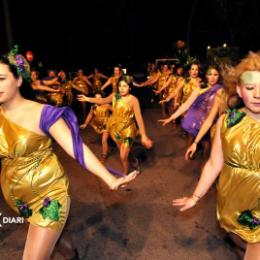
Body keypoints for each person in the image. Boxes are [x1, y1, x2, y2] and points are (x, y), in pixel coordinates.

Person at [0, 48, 138, 259]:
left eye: (1, 78)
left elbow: (77, 148)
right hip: (21, 200)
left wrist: (109, 179)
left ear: (18, 80)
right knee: (58, 242)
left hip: (49, 194)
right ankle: (72, 255)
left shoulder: (42, 113)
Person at [172, 52, 260, 260]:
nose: (257, 94)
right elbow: (213, 164)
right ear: (238, 89)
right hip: (234, 206)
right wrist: (195, 196)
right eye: (250, 88)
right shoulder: (226, 122)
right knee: (243, 248)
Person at [78, 75, 153, 174]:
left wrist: (143, 136)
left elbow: (139, 118)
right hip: (115, 129)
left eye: (125, 86)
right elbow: (102, 100)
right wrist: (88, 99)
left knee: (122, 156)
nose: (122, 89)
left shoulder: (133, 100)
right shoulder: (115, 96)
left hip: (128, 130)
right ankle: (134, 161)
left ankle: (125, 175)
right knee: (124, 153)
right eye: (120, 86)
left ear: (129, 87)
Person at [159, 66, 222, 159]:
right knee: (191, 138)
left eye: (215, 75)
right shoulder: (199, 88)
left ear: (219, 76)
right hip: (197, 120)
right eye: (210, 74)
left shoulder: (221, 90)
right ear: (206, 76)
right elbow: (187, 104)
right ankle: (190, 151)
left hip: (212, 123)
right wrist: (172, 117)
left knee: (207, 150)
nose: (212, 77)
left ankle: (205, 165)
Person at [80, 92, 112, 163]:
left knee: (104, 140)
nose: (98, 99)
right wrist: (85, 123)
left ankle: (103, 156)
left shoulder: (107, 105)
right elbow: (90, 115)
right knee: (109, 138)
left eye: (99, 98)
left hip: (107, 123)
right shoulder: (93, 107)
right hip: (99, 123)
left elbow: (115, 111)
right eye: (96, 98)